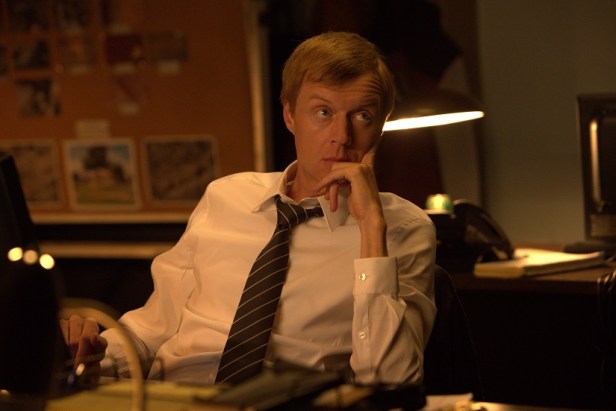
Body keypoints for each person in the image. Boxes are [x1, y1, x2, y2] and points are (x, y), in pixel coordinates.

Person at [61, 31, 436, 386]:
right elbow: (152, 329)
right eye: (323, 112)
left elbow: (390, 382)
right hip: (173, 395)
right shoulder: (226, 196)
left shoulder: (403, 228)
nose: (341, 136)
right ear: (290, 116)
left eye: (362, 115)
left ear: (381, 126)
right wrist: (89, 356)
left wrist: (371, 228)